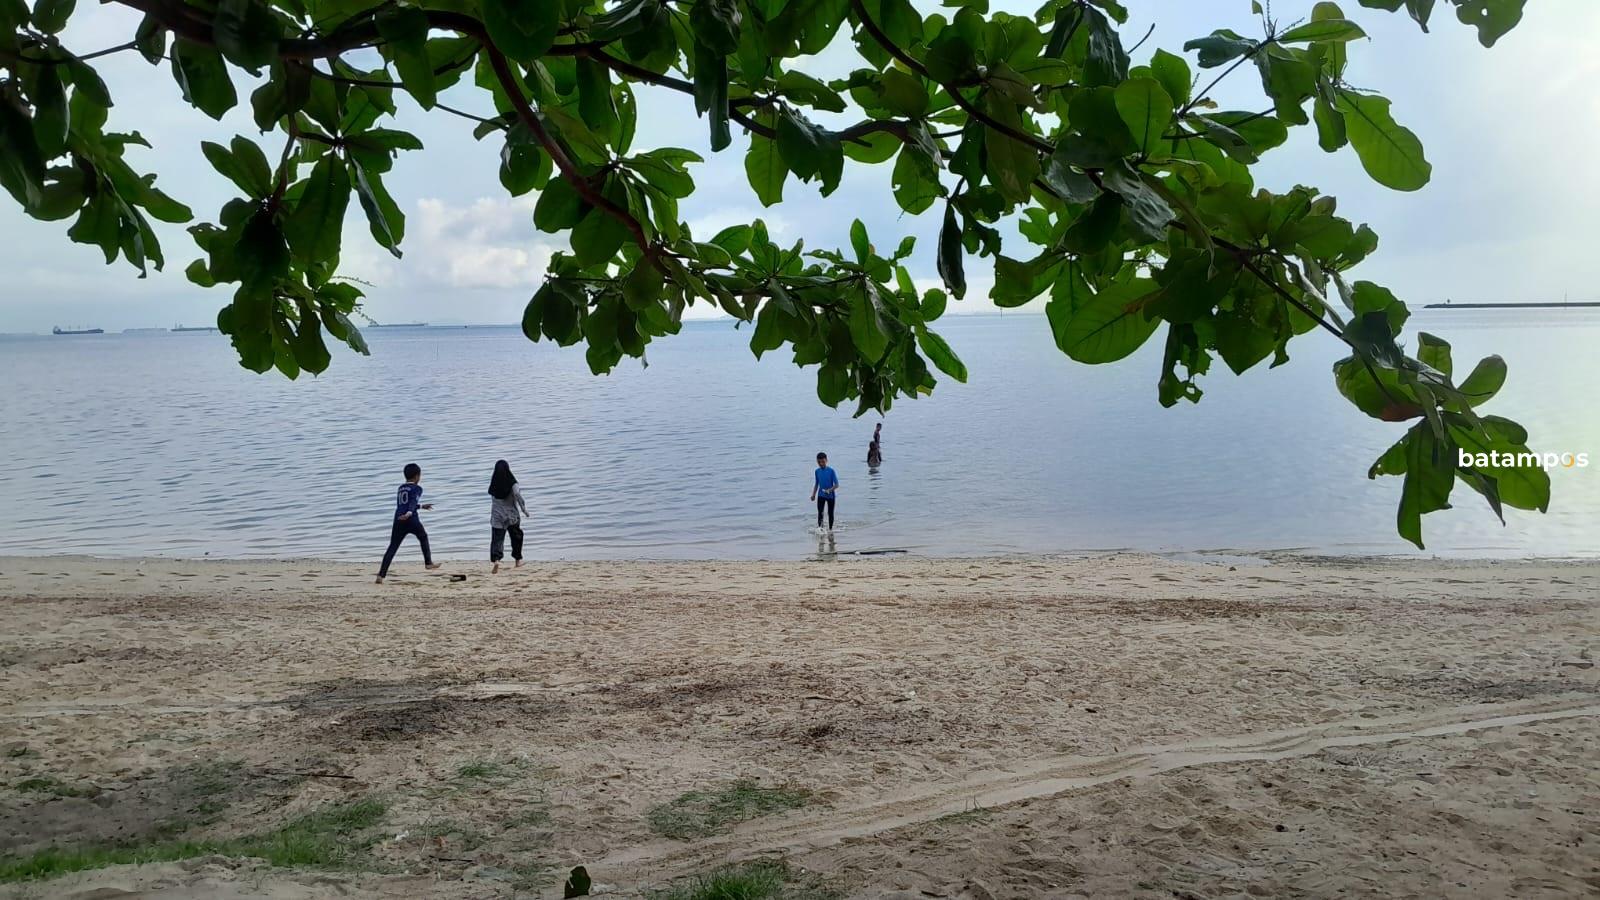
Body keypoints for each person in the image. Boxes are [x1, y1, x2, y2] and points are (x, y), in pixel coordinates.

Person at [376, 463, 440, 584]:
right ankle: (428, 563)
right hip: (411, 519)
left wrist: (421, 506)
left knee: (392, 547)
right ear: (417, 476)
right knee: (423, 536)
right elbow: (411, 502)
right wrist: (410, 513)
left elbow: (404, 504)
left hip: (398, 519)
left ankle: (381, 575)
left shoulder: (400, 488)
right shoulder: (417, 488)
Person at [488, 459, 528, 574]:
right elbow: (517, 494)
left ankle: (496, 561)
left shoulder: (494, 483)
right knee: (516, 537)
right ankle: (517, 561)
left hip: (497, 516)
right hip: (512, 516)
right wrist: (524, 509)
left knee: (497, 540)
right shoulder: (512, 483)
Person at [810, 451, 839, 531]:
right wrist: (813, 494)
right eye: (819, 462)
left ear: (826, 460)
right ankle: (820, 530)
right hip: (821, 495)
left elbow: (837, 485)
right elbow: (816, 484)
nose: (821, 464)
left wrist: (830, 490)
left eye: (823, 461)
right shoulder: (817, 471)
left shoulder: (831, 471)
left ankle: (830, 530)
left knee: (830, 513)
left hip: (830, 496)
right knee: (820, 513)